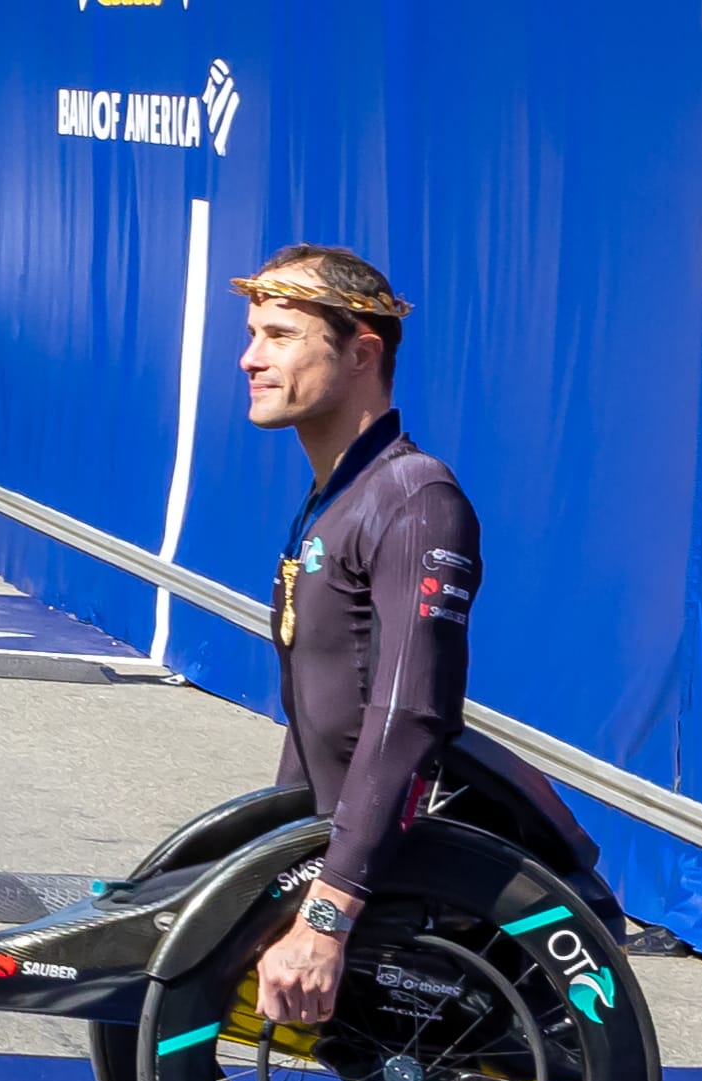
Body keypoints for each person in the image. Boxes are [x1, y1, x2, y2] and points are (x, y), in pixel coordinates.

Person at [234, 245, 480, 1025]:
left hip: (385, 881)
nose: (249, 359)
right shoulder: (332, 500)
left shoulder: (415, 499)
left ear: (362, 353)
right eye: (252, 334)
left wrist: (325, 917)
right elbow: (313, 726)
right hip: (327, 850)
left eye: (279, 336)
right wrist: (264, 876)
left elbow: (410, 718)